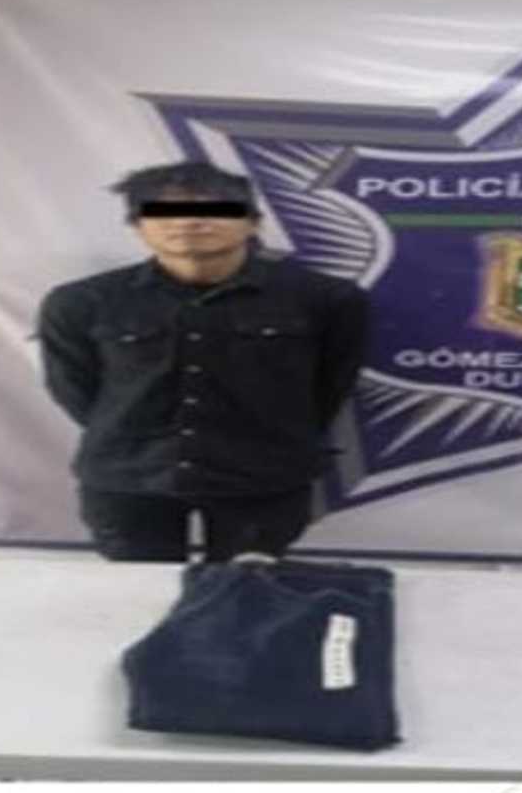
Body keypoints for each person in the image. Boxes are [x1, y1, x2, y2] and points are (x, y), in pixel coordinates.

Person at [38, 160, 369, 562]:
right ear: (138, 226)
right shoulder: (81, 302)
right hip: (129, 481)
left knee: (246, 590)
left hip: (263, 480)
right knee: (140, 592)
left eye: (214, 209)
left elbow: (331, 384)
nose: (189, 222)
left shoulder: (326, 299)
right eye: (164, 212)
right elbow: (75, 389)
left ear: (253, 222)